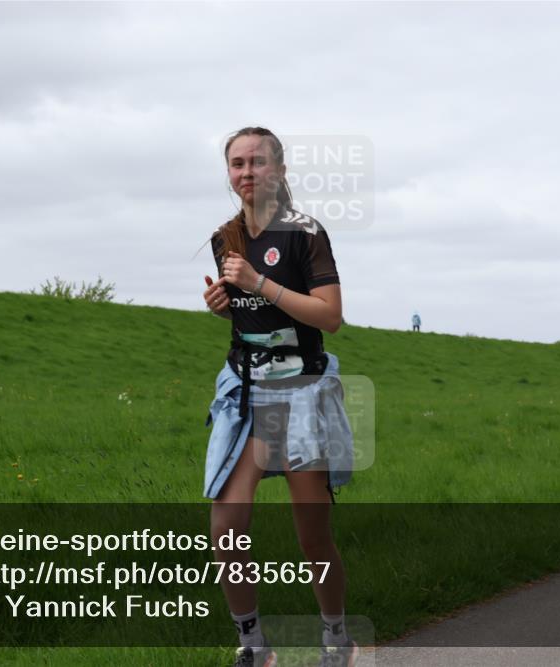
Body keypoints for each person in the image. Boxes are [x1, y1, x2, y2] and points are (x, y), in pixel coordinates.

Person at [201, 127, 359, 667]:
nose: (247, 173)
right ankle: (253, 646)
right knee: (225, 530)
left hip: (300, 395)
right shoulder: (226, 237)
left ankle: (337, 638)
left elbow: (330, 317)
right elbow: (252, 317)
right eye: (238, 163)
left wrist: (259, 283)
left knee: (312, 537)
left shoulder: (306, 233)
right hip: (247, 394)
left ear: (281, 170)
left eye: (258, 162)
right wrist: (226, 305)